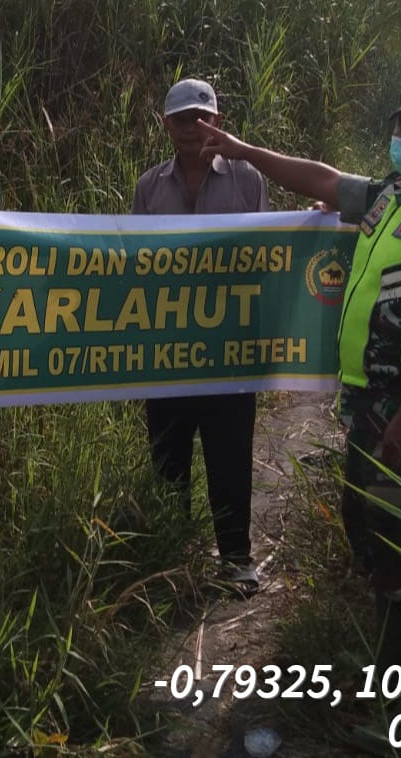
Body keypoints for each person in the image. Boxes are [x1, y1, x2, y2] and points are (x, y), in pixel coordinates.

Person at [197, 73, 401, 666]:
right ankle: (395, 688)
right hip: (374, 409)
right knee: (381, 548)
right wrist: (241, 150)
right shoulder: (396, 194)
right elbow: (322, 179)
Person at [132, 78, 269, 598]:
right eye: (182, 119)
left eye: (202, 117)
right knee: (168, 454)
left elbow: (273, 248)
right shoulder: (149, 186)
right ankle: (171, 560)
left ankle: (236, 559)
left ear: (217, 121)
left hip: (229, 349)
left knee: (230, 451)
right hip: (166, 349)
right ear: (166, 125)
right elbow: (137, 260)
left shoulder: (247, 177)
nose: (193, 128)